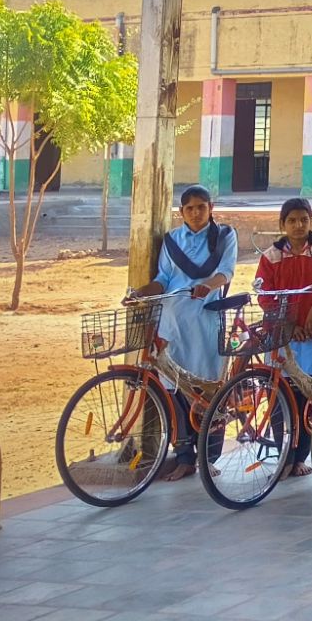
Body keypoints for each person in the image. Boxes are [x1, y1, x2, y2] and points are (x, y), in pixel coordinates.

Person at [128, 184, 236, 481]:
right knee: (173, 389)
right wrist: (141, 292)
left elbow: (226, 271)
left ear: (211, 208)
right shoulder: (172, 240)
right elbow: (163, 278)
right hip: (172, 322)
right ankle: (185, 457)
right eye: (190, 208)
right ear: (181, 212)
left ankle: (209, 457)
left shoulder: (225, 236)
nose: (196, 213)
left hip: (205, 319)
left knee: (206, 387)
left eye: (201, 207)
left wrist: (207, 286)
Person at [254, 197, 312, 383]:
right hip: (282, 332)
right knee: (281, 387)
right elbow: (264, 296)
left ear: (311, 221)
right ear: (282, 224)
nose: (298, 225)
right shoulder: (271, 256)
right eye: (292, 220)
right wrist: (288, 325)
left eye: (304, 220)